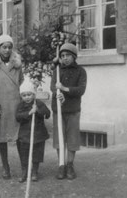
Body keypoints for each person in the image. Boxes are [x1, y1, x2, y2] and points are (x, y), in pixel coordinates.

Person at [0, 34, 24, 179]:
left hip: (16, 104)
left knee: (19, 136)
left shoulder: (17, 64)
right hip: (1, 104)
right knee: (2, 137)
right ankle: (5, 167)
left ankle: (24, 167)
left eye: (9, 47)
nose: (7, 50)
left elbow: (22, 82)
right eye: (4, 47)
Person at [50, 42, 87, 180]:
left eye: (68, 56)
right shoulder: (57, 70)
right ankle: (61, 165)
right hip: (58, 110)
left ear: (74, 57)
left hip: (73, 110)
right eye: (62, 56)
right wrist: (57, 93)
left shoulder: (81, 71)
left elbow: (81, 90)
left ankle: (70, 165)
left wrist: (64, 89)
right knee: (59, 139)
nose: (65, 58)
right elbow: (53, 87)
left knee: (72, 139)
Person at [15, 79, 50, 183]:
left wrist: (38, 110)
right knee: (24, 154)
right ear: (21, 96)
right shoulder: (21, 105)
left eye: (29, 94)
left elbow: (47, 114)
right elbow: (17, 117)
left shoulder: (39, 103)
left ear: (33, 94)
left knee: (36, 154)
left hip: (38, 134)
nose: (27, 97)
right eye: (24, 95)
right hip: (25, 135)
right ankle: (24, 172)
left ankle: (35, 172)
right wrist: (29, 113)